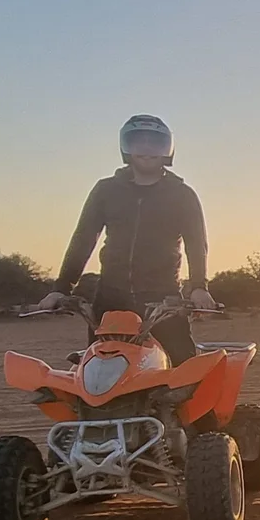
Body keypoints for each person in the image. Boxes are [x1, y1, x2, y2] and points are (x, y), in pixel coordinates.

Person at [38, 115, 214, 364]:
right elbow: (84, 239)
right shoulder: (106, 190)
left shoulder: (182, 195)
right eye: (138, 142)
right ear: (126, 148)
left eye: (155, 143)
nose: (147, 150)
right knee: (100, 375)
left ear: (167, 149)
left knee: (183, 371)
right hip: (110, 299)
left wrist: (198, 286)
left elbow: (196, 243)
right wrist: (61, 289)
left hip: (163, 299)